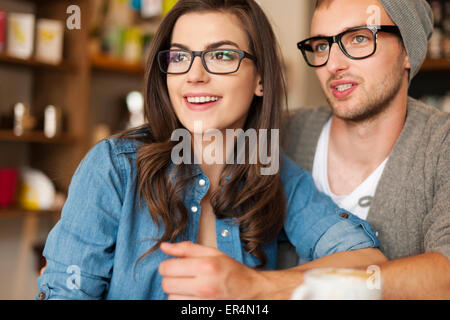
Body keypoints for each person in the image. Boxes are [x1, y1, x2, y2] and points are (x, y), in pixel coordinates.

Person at [35, 0, 385, 300]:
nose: (194, 75)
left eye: (221, 55)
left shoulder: (272, 173)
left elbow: (366, 262)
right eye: (179, 57)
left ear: (261, 78)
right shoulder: (113, 167)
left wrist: (254, 285)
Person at [280, 0, 450, 299]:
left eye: (358, 39)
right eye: (321, 46)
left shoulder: (441, 145)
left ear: (407, 51)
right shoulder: (282, 134)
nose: (333, 64)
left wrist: (263, 286)